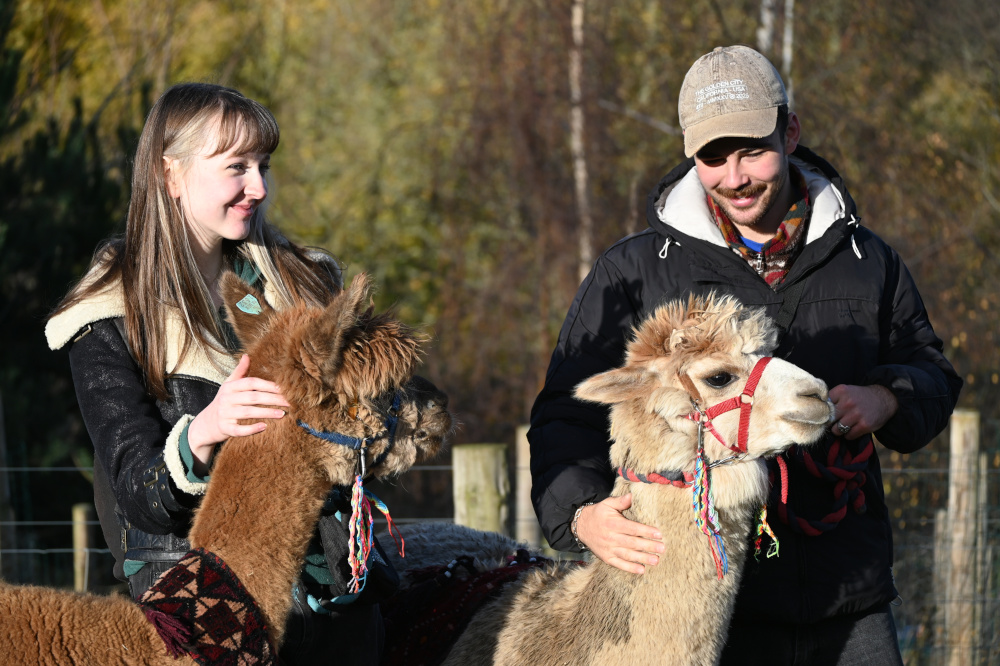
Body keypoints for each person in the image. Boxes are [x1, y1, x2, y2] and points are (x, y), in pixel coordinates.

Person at [528, 45, 962, 664]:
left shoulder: (866, 261)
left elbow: (930, 369)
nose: (735, 178)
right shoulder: (634, 274)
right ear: (690, 155)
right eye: (713, 158)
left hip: (848, 592)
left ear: (789, 131)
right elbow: (565, 413)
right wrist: (581, 513)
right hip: (706, 601)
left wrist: (888, 396)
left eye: (752, 151)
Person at [45, 82, 388, 664]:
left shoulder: (308, 283)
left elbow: (377, 424)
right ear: (171, 175)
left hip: (336, 606)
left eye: (263, 165)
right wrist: (204, 431)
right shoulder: (108, 317)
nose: (258, 187)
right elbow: (137, 493)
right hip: (204, 619)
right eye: (236, 167)